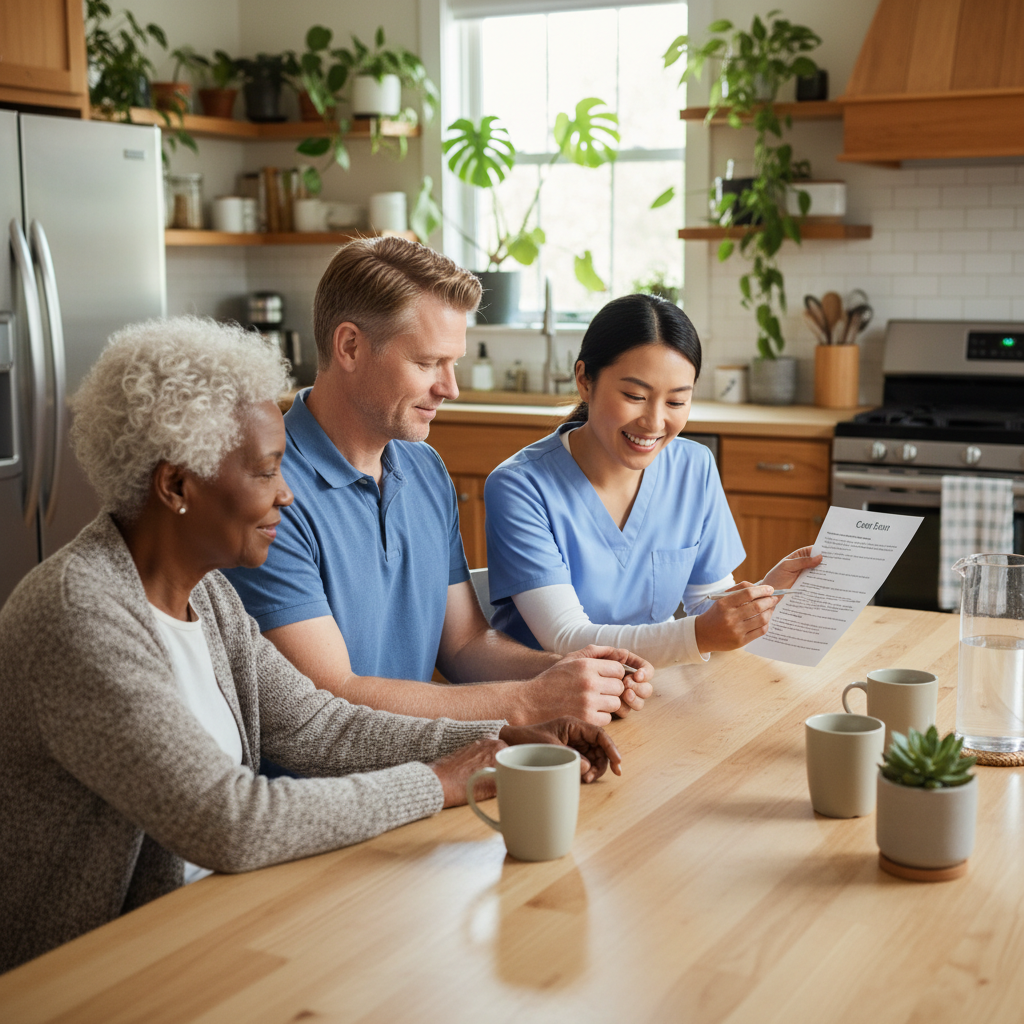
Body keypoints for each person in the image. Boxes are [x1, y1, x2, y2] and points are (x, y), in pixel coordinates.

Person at [0, 317, 620, 973]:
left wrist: (498, 742)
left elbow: (318, 725)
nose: (287, 494)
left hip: (202, 926)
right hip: (81, 973)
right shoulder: (82, 612)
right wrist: (440, 781)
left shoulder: (204, 595)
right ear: (176, 486)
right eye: (266, 472)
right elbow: (233, 820)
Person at [224, 238, 653, 725]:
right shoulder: (267, 489)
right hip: (322, 792)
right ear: (350, 346)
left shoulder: (424, 469)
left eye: (454, 363)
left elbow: (464, 645)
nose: (450, 388)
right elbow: (333, 698)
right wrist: (531, 702)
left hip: (424, 761)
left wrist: (571, 672)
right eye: (428, 363)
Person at [483, 293, 822, 668]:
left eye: (676, 402)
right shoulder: (520, 486)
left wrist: (759, 598)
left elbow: (706, 600)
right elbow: (566, 638)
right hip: (553, 705)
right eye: (635, 395)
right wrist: (700, 634)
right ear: (584, 380)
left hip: (654, 691)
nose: (654, 422)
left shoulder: (693, 466)